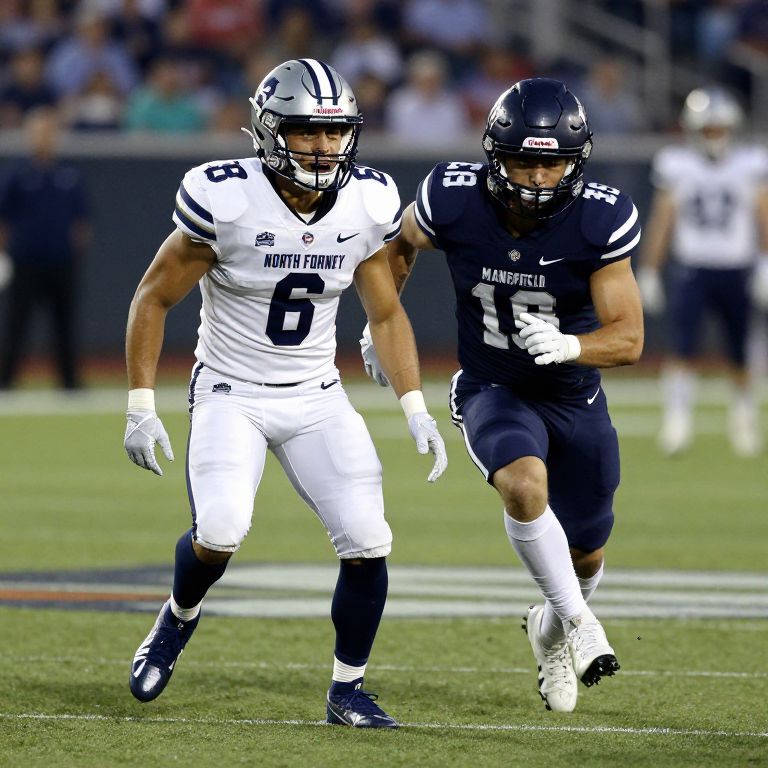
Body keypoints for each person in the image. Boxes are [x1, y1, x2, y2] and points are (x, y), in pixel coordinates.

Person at [123, 58, 447, 729]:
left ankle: (347, 691)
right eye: (306, 131)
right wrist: (140, 405)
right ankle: (178, 616)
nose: (324, 147)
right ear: (269, 132)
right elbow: (153, 297)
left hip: (316, 394)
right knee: (219, 532)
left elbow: (386, 312)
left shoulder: (366, 201)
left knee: (369, 538)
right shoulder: (227, 199)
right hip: (231, 391)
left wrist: (414, 404)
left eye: (335, 132)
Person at [361, 78, 643, 713]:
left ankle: (550, 629)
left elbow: (629, 338)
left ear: (576, 161)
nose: (538, 178)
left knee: (587, 552)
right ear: (494, 155)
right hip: (494, 385)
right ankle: (581, 626)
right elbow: (397, 247)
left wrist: (572, 346)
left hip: (574, 396)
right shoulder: (453, 196)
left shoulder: (599, 217)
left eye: (552, 164)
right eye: (522, 162)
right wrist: (379, 322)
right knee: (523, 484)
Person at [637, 86, 768, 457]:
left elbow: (763, 215)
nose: (715, 136)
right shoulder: (677, 163)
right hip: (692, 268)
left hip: (737, 268)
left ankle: (743, 420)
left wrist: (765, 261)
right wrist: (649, 269)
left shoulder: (751, 163)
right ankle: (677, 421)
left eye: (720, 128)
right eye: (708, 129)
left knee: (739, 351)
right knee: (681, 348)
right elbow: (663, 219)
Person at [0, 106, 89, 390]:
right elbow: (4, 218)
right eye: (39, 132)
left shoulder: (69, 174)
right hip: (25, 260)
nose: (44, 137)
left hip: (61, 261)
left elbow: (81, 220)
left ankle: (69, 382)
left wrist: (74, 252)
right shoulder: (18, 174)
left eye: (49, 131)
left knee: (64, 323)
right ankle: (6, 381)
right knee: (17, 323)